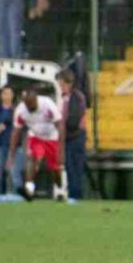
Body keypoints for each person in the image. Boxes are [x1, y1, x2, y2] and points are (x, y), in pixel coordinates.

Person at [7, 87, 66, 201]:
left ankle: (60, 190)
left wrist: (61, 150)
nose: (29, 107)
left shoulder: (48, 104)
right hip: (35, 137)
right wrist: (11, 154)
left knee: (55, 169)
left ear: (36, 100)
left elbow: (60, 126)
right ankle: (29, 190)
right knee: (33, 159)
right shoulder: (20, 111)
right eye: (27, 104)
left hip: (52, 137)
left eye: (31, 104)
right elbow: (15, 133)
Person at [57, 70, 88, 203]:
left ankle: (76, 194)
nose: (60, 86)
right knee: (69, 166)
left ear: (67, 83)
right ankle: (72, 194)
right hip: (69, 137)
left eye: (61, 83)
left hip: (76, 136)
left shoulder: (77, 97)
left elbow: (74, 119)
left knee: (76, 166)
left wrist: (64, 129)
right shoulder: (66, 97)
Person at [0, 85, 20, 195]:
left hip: (14, 146)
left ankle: (16, 194)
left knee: (14, 171)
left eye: (10, 93)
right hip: (0, 144)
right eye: (5, 93)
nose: (7, 96)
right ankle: (2, 192)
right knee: (1, 171)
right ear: (1, 95)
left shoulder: (16, 110)